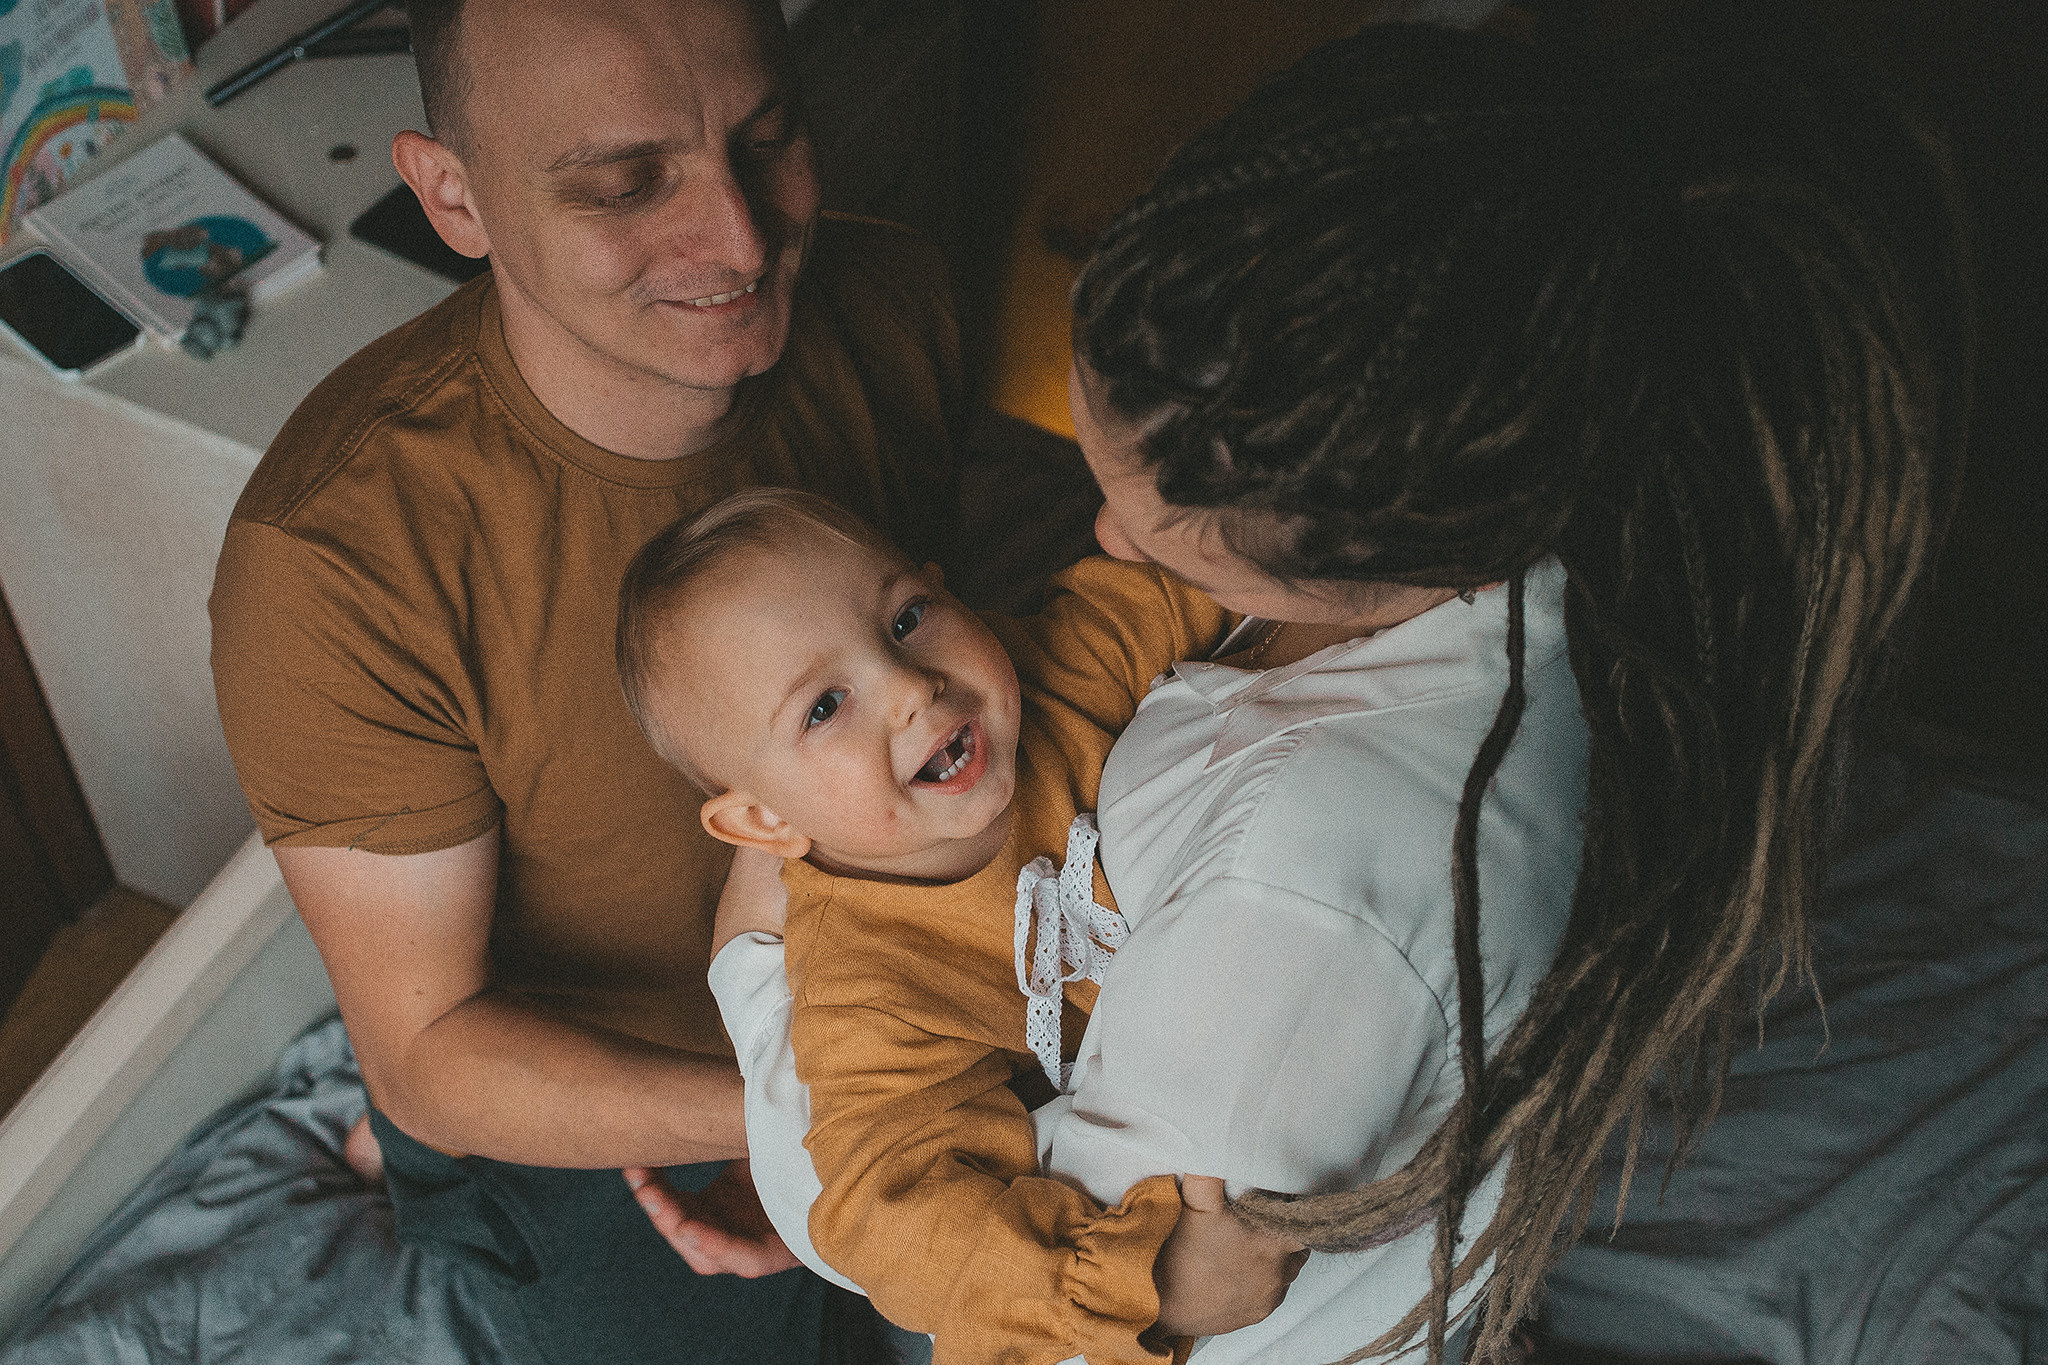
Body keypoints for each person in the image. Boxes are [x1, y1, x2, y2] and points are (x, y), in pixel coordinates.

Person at [670, 14, 1966, 1364]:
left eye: (1146, 526)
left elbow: (997, 1294)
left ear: (1333, 537)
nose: (1101, 549)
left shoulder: (1312, 887)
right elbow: (899, 1202)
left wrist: (754, 968)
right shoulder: (1484, 516)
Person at [207, 0, 961, 1357]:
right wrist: (806, 1118)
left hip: (900, 999)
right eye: (627, 185)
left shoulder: (892, 302)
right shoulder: (337, 558)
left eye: (769, 139)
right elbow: (433, 1053)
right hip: (617, 1119)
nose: (739, 241)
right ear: (453, 197)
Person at [614, 488, 1305, 1361]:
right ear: (763, 825)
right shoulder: (865, 982)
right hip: (829, 1089)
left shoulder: (1063, 663)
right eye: (824, 706)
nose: (911, 688)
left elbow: (1221, 558)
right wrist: (1145, 1282)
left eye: (906, 618)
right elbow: (896, 1218)